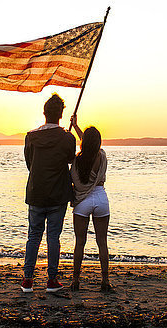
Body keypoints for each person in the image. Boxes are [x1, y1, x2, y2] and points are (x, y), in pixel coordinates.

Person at [21, 94, 76, 293]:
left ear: (44, 113)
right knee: (54, 236)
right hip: (58, 195)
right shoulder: (68, 138)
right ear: (61, 114)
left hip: (36, 192)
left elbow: (30, 164)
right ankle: (51, 280)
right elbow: (71, 159)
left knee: (33, 236)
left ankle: (28, 280)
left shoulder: (31, 137)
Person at [69, 115, 112, 292]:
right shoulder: (102, 156)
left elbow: (85, 144)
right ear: (99, 143)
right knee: (102, 241)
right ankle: (105, 280)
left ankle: (76, 280)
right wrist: (77, 127)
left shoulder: (77, 161)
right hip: (101, 198)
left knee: (80, 242)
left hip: (82, 201)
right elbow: (90, 144)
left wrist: (75, 127)